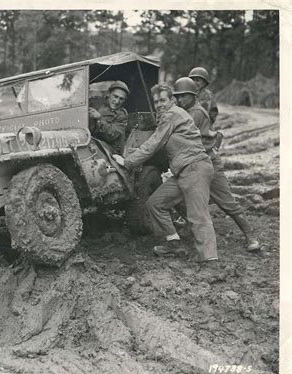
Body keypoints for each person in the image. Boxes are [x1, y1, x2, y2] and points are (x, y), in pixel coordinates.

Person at [113, 83, 218, 262]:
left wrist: (128, 161)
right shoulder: (171, 115)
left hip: (195, 168)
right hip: (183, 172)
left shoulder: (172, 114)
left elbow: (154, 143)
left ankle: (210, 261)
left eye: (162, 100)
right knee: (155, 203)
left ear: (172, 100)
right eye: (156, 102)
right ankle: (174, 244)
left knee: (198, 217)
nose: (159, 104)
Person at [173, 77, 260, 252]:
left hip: (208, 163)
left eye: (183, 96)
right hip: (193, 164)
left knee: (226, 202)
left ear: (193, 96)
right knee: (174, 196)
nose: (179, 99)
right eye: (177, 96)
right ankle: (191, 227)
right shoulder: (187, 111)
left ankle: (250, 235)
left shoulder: (195, 113)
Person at [89, 81, 129, 154]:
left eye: (121, 99)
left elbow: (111, 135)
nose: (117, 101)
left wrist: (99, 118)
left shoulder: (122, 115)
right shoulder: (96, 103)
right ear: (109, 94)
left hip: (109, 151)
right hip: (89, 143)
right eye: (115, 96)